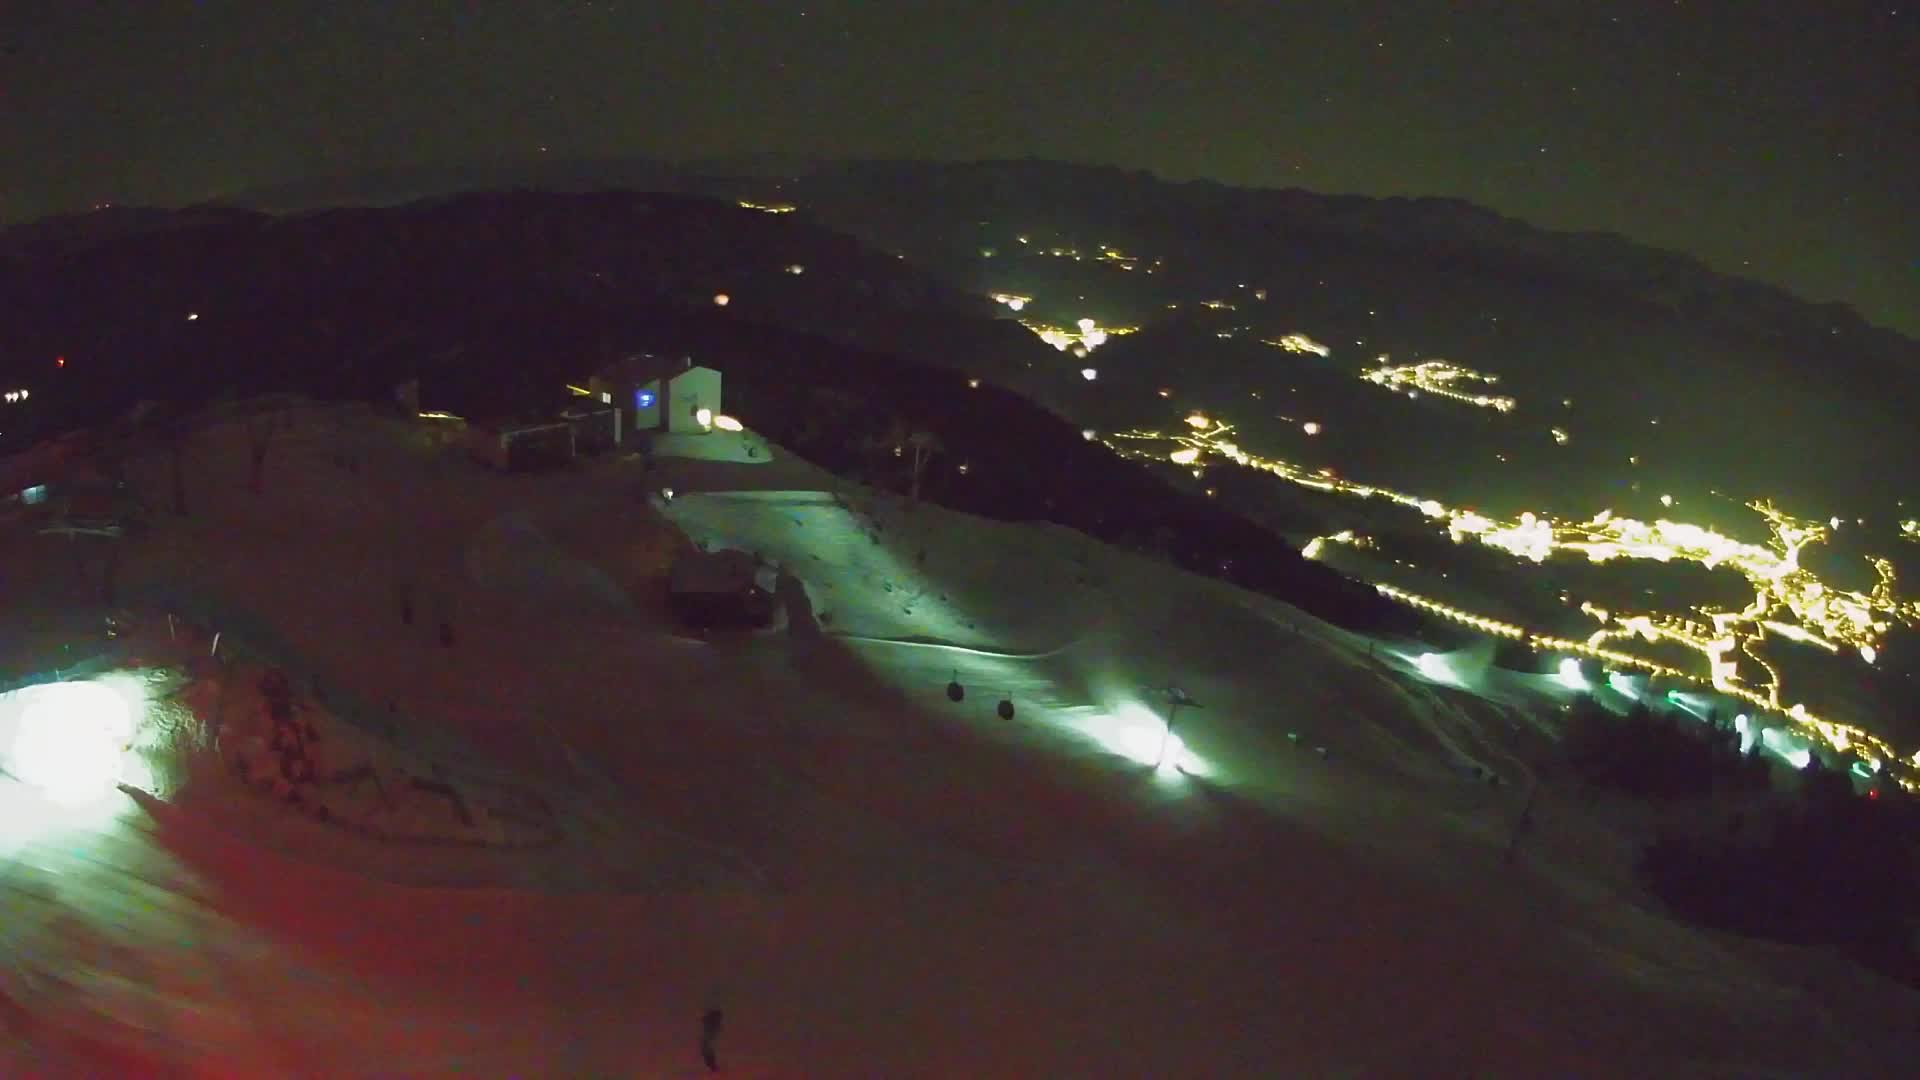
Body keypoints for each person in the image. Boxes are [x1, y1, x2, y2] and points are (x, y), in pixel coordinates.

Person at [700, 1007, 724, 1073]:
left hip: (708, 1040)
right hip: (708, 1040)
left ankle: (713, 1067)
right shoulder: (713, 1023)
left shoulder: (713, 1024)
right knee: (707, 1050)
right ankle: (713, 1067)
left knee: (707, 1050)